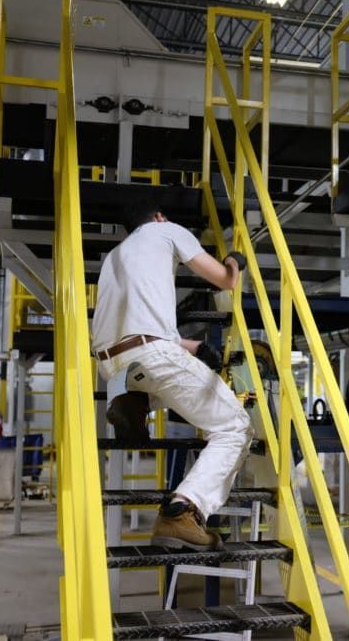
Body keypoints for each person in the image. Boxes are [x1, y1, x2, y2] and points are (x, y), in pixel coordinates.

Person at [91, 196, 251, 551]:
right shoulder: (167, 231)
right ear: (159, 217)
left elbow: (144, 331)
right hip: (151, 355)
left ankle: (133, 402)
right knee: (234, 426)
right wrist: (233, 260)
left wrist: (195, 350)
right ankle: (184, 509)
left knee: (167, 377)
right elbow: (226, 281)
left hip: (112, 363)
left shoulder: (114, 258)